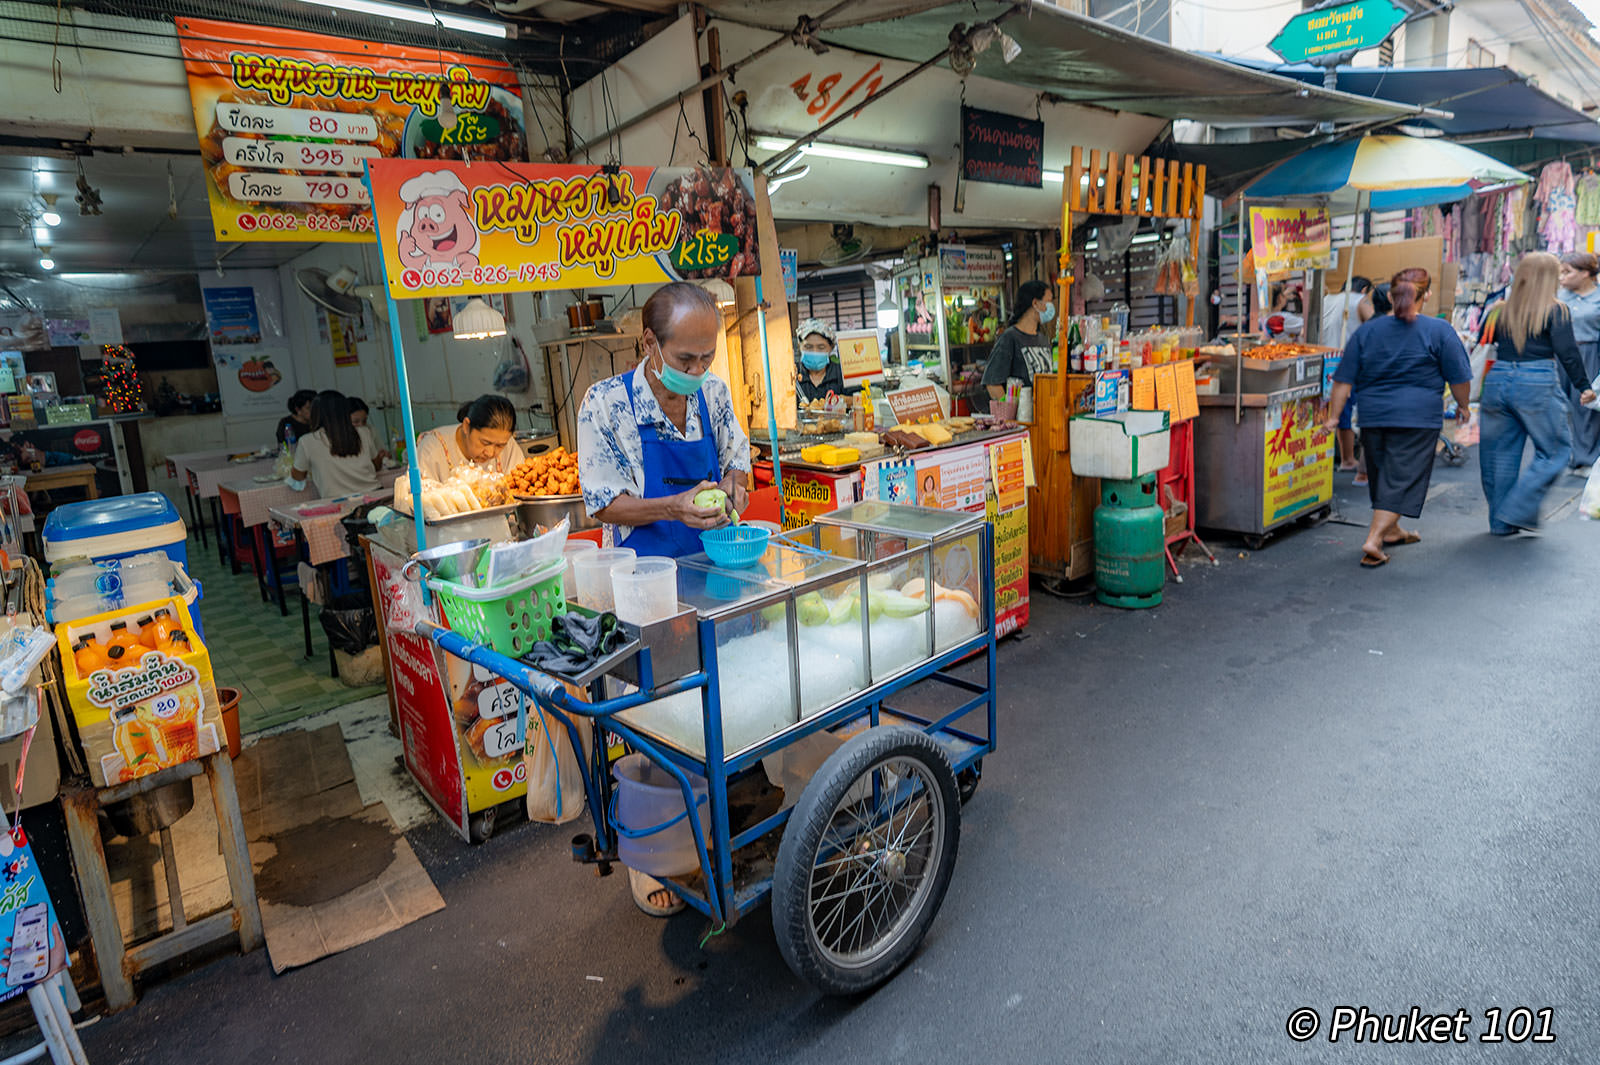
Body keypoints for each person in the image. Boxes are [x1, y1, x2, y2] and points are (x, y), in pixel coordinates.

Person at [576, 282, 749, 917]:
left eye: (709, 358)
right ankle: (663, 852)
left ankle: (722, 821)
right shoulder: (605, 406)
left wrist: (732, 491)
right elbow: (603, 502)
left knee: (718, 707)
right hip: (645, 590)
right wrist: (674, 505)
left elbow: (740, 467)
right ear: (649, 344)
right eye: (686, 360)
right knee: (654, 722)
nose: (700, 372)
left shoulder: (716, 396)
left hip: (714, 575)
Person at [1324, 268, 1472, 567]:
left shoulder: (1368, 331)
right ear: (1426, 295)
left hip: (1373, 415)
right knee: (1403, 479)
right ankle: (1375, 538)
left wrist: (1333, 417)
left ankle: (1391, 531)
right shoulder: (1439, 330)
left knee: (1382, 477)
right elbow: (1459, 376)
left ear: (1390, 295)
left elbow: (1343, 379)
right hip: (1417, 417)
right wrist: (1463, 405)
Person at [1480, 252, 1598, 534]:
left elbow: (1484, 338)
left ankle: (1500, 523)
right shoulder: (1555, 309)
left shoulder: (1499, 309)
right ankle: (1517, 509)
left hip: (1497, 379)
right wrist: (1584, 387)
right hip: (1536, 380)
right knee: (1556, 450)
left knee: (1501, 456)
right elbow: (1568, 353)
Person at [289, 391, 383, 498]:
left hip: (339, 504)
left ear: (315, 414)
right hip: (375, 496)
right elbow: (377, 466)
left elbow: (298, 476)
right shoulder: (364, 432)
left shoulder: (307, 441)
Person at [1556, 252, 1600, 473]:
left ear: (1585, 274)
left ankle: (1586, 457)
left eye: (1567, 272)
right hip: (1559, 355)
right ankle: (1566, 454)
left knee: (1586, 406)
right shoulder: (1560, 296)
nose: (1562, 277)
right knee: (1560, 404)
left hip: (1588, 353)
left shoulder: (1598, 298)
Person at [980, 281, 1056, 408]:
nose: (1051, 307)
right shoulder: (1009, 338)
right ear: (1035, 303)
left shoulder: (1043, 340)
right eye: (1048, 301)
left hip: (1044, 416)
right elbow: (992, 384)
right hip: (1021, 422)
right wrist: (1011, 414)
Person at [415, 395, 525, 482]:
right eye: (485, 442)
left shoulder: (508, 445)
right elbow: (422, 503)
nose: (491, 453)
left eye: (500, 446)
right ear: (466, 426)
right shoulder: (432, 449)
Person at [794, 319, 853, 402]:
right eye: (808, 347)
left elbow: (859, 400)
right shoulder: (793, 374)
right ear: (799, 346)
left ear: (831, 347)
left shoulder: (843, 374)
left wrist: (844, 400)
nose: (814, 352)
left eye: (821, 347)